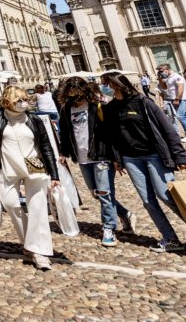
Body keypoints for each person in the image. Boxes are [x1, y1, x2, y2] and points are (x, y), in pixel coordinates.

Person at [100, 72, 186, 253]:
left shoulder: (143, 102)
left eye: (106, 84)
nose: (104, 88)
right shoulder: (109, 109)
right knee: (148, 201)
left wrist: (180, 155)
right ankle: (170, 239)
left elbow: (167, 129)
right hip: (130, 159)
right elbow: (113, 137)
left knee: (167, 196)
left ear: (116, 84)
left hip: (155, 155)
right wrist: (117, 159)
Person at [0, 85, 60, 271]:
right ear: (8, 101)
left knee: (37, 209)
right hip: (9, 167)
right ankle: (29, 240)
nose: (23, 103)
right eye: (19, 100)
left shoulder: (33, 119)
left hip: (35, 166)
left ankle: (38, 251)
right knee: (9, 203)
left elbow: (47, 147)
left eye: (25, 99)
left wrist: (54, 174)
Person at [57, 76, 133, 247]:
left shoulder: (97, 107)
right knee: (97, 194)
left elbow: (110, 134)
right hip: (82, 158)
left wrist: (115, 158)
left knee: (105, 194)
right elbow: (65, 133)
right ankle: (124, 213)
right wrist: (63, 152)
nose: (76, 99)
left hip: (101, 156)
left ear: (85, 91)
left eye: (78, 94)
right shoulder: (65, 109)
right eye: (72, 94)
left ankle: (109, 228)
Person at [157, 64, 186, 141]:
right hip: (173, 100)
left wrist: (177, 99)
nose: (161, 72)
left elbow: (180, 88)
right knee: (183, 116)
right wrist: (159, 77)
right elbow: (164, 87)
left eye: (161, 71)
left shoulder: (177, 76)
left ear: (167, 69)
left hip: (181, 99)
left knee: (180, 116)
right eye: (159, 71)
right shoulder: (168, 78)